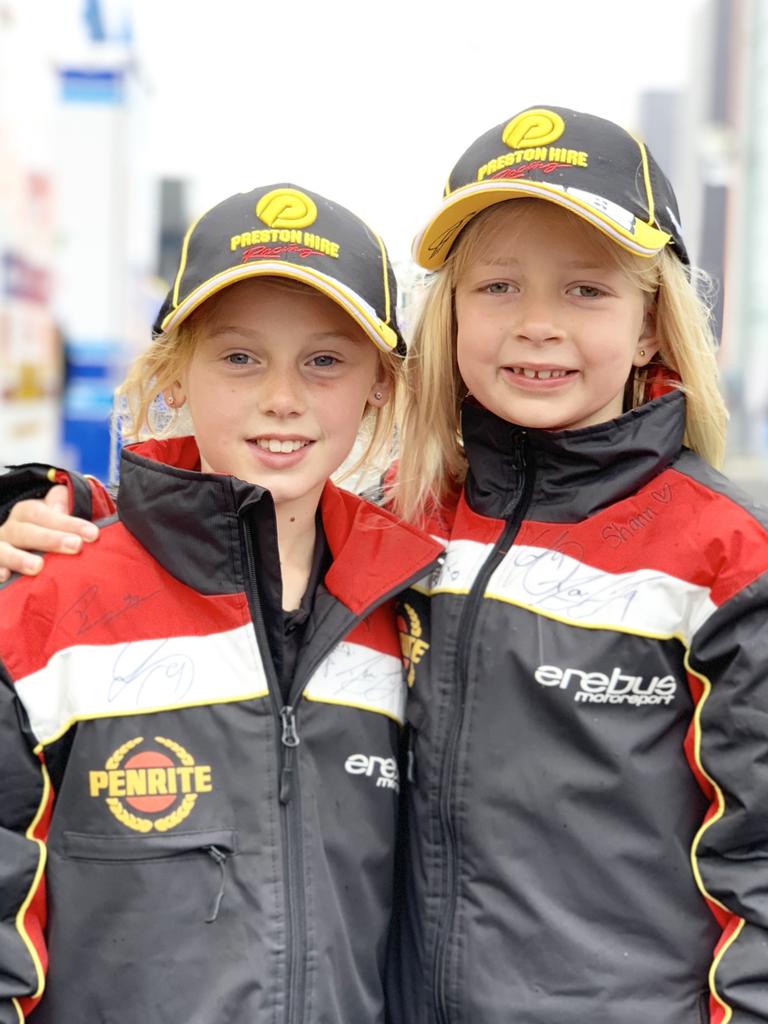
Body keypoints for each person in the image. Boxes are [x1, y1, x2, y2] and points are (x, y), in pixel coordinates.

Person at [0, 182, 443, 1024]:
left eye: (325, 360)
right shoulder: (47, 603)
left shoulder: (412, 615)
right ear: (176, 372)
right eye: (240, 357)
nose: (283, 397)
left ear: (379, 386)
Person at [390, 106, 768, 1023]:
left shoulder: (725, 554)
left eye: (586, 291)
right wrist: (48, 505)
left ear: (649, 328)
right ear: (449, 314)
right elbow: (212, 537)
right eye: (499, 288)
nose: (537, 326)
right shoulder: (391, 523)